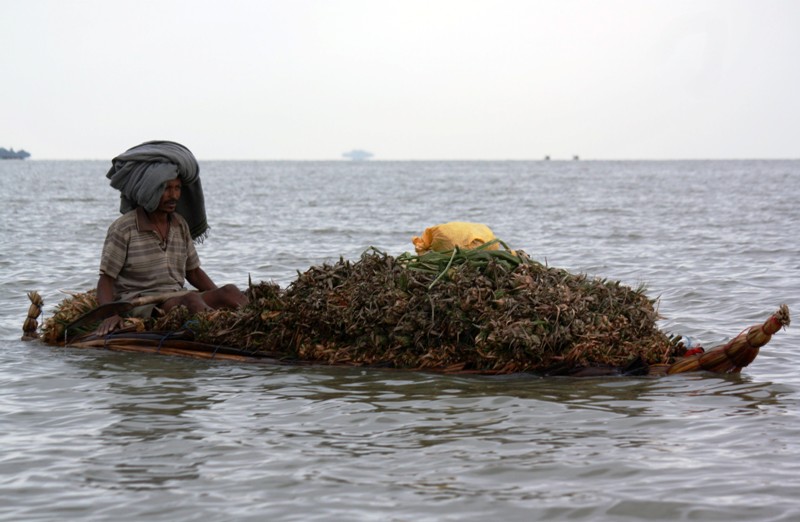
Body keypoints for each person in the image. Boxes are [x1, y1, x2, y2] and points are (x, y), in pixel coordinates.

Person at [95, 140, 247, 336]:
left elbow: (193, 272)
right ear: (150, 191)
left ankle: (260, 323)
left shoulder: (179, 224)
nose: (173, 196)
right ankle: (220, 333)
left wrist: (218, 296)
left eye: (177, 188)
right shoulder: (124, 228)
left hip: (177, 297)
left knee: (230, 291)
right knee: (191, 301)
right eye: (166, 189)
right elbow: (106, 280)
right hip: (143, 305)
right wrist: (109, 314)